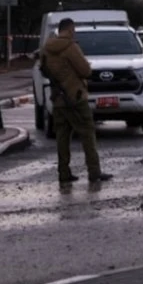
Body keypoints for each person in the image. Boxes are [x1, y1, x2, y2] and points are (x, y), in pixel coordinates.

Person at [40, 18, 113, 184]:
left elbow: (44, 70)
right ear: (70, 29)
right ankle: (94, 172)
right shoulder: (70, 47)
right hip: (75, 97)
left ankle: (63, 172)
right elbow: (85, 70)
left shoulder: (47, 49)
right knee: (87, 133)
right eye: (74, 29)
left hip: (57, 98)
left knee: (62, 136)